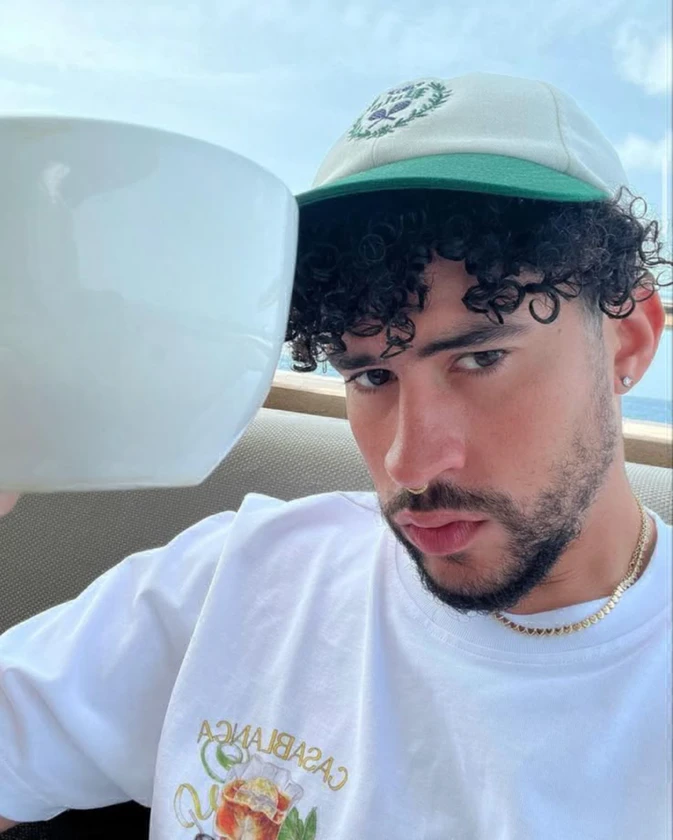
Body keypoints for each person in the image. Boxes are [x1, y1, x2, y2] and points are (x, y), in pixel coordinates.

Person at [0, 71, 671, 839]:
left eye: (480, 359)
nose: (409, 464)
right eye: (371, 376)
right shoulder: (238, 579)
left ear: (627, 339)